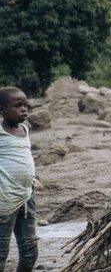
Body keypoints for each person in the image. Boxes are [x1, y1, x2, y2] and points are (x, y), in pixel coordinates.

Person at [0, 87, 37, 272]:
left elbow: (24, 157)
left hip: (26, 197)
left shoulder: (25, 129)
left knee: (30, 251)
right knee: (1, 252)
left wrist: (32, 177)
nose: (24, 109)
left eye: (26, 105)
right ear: (2, 109)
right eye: (17, 106)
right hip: (4, 200)